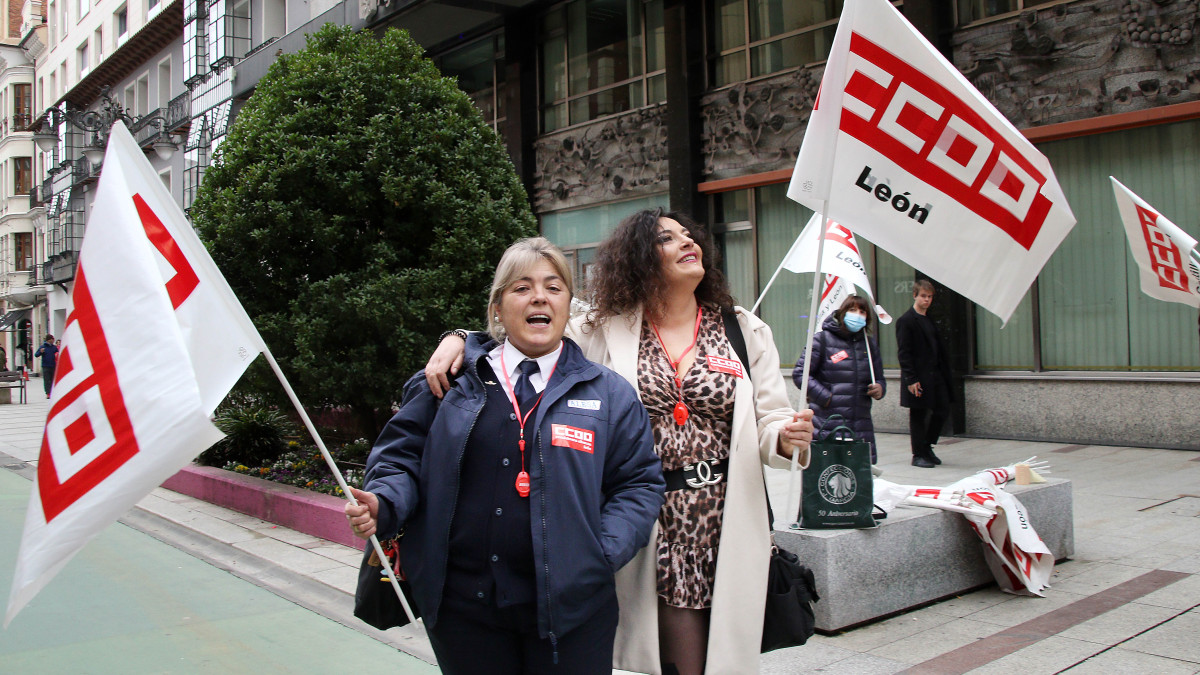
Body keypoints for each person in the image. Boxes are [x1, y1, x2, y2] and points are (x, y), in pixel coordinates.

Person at [425, 209, 814, 675]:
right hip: (646, 510)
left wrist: (787, 439)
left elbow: (770, 417)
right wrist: (460, 339)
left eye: (689, 235)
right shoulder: (601, 327)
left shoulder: (742, 329)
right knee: (666, 653)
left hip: (724, 510)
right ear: (638, 260)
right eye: (667, 239)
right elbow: (526, 331)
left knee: (723, 652)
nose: (688, 242)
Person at [344, 237, 665, 675]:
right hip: (463, 611)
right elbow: (400, 459)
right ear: (497, 307)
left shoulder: (609, 394)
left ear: (570, 305)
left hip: (571, 612)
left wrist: (600, 553)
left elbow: (638, 484)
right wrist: (384, 502)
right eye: (521, 287)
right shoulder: (448, 381)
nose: (539, 297)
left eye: (554, 287)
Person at [792, 295, 885, 463]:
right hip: (827, 423)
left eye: (862, 311)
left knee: (857, 477)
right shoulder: (822, 340)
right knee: (826, 475)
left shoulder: (869, 345)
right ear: (843, 313)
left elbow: (879, 378)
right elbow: (800, 374)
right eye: (852, 310)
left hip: (860, 426)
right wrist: (827, 398)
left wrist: (879, 388)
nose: (857, 315)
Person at [895, 280, 954, 468]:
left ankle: (927, 445)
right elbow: (904, 352)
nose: (927, 300)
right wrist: (911, 379)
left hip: (935, 375)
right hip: (918, 377)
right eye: (923, 296)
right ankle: (918, 454)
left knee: (942, 409)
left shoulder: (929, 319)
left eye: (929, 297)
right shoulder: (906, 321)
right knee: (918, 414)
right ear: (915, 295)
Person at [34, 335, 58, 399]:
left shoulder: (54, 347)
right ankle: (48, 393)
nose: (53, 341)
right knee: (47, 380)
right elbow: (36, 355)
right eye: (52, 339)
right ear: (48, 340)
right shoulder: (43, 347)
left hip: (53, 365)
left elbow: (58, 354)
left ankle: (53, 392)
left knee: (53, 380)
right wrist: (40, 352)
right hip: (45, 366)